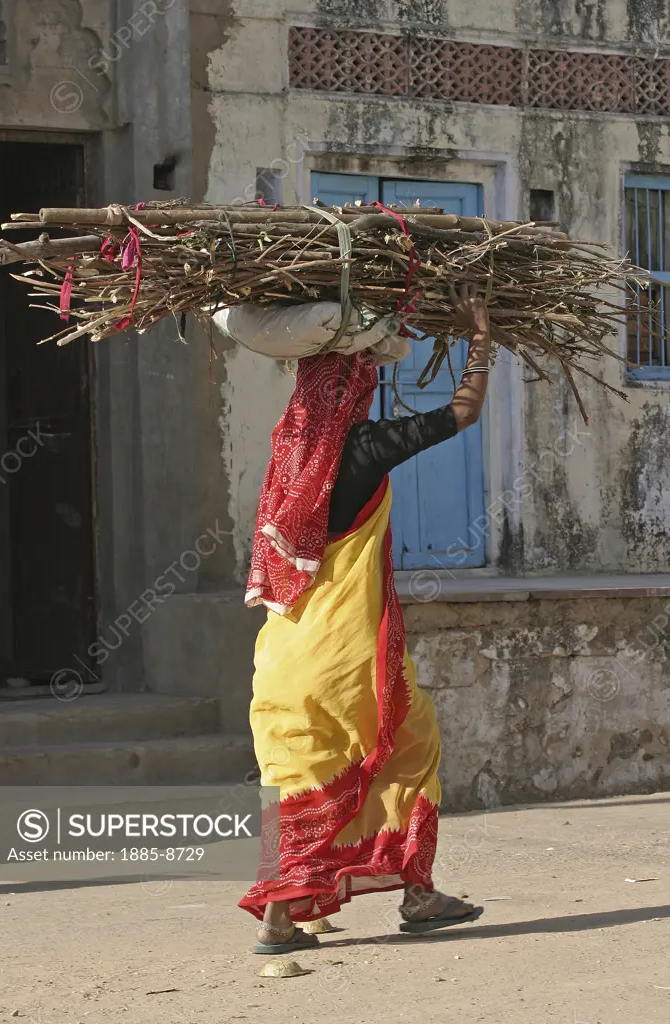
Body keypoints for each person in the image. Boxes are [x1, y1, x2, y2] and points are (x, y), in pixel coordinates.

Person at [240, 284, 492, 954]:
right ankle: (415, 893)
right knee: (408, 748)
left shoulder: (288, 459)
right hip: (345, 654)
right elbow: (463, 413)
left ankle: (282, 916)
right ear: (353, 392)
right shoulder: (365, 447)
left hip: (283, 651)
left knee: (298, 777)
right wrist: (479, 340)